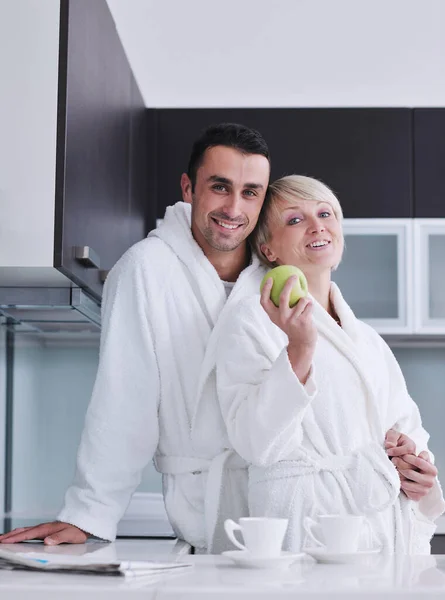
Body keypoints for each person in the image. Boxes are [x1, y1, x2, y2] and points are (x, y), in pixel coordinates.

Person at [0, 123, 271, 553]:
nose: (234, 207)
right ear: (188, 187)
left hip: (291, 510)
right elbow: (125, 400)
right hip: (203, 513)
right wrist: (90, 514)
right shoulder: (145, 270)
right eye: (220, 187)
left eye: (251, 192)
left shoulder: (276, 275)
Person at [215, 175, 445, 554]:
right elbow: (258, 443)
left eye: (326, 213)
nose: (318, 225)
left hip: (381, 530)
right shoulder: (250, 320)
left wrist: (415, 465)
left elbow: (408, 427)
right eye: (295, 219)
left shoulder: (367, 339)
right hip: (309, 526)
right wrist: (300, 349)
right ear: (268, 249)